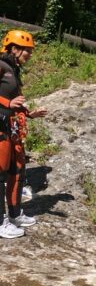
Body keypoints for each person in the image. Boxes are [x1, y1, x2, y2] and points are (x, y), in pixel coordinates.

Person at [0, 30, 48, 238]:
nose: (29, 54)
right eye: (27, 50)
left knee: (17, 171)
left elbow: (15, 102)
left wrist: (29, 113)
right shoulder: (1, 66)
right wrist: (7, 103)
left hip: (11, 127)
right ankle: (0, 222)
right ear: (14, 48)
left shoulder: (13, 70)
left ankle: (14, 213)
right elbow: (7, 102)